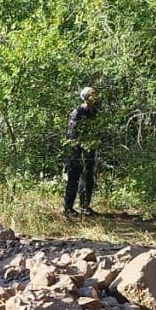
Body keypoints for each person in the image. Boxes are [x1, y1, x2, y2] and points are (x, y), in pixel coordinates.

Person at [64, 86, 99, 217]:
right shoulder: (77, 112)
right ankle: (68, 208)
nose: (94, 97)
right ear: (85, 97)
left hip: (89, 149)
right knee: (74, 176)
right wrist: (75, 152)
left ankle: (85, 206)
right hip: (76, 150)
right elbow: (71, 135)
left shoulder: (94, 111)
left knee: (88, 176)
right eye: (91, 95)